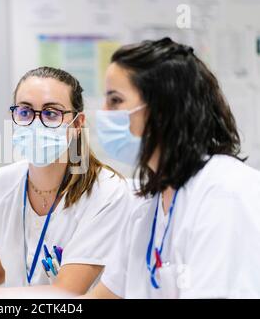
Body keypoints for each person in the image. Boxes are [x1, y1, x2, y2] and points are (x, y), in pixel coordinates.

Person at [88, 37, 260, 298]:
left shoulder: (225, 193)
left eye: (115, 100)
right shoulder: (146, 205)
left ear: (161, 108)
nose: (103, 112)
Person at [0, 67, 133, 295]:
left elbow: (64, 293)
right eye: (25, 112)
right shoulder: (1, 184)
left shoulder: (106, 192)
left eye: (52, 113)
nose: (35, 123)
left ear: (77, 124)